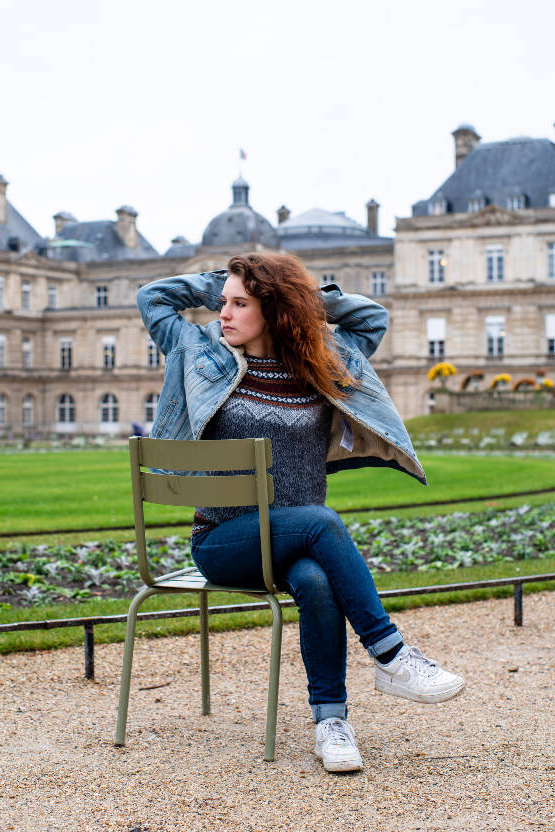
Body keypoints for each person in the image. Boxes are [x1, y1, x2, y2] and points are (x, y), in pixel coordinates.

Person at [136, 253, 465, 774]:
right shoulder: (198, 352)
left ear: (274, 308)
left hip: (294, 545)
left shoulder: (321, 361)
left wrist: (303, 297)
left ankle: (331, 723)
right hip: (224, 543)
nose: (224, 313)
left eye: (239, 304)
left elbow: (371, 317)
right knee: (321, 520)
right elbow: (152, 297)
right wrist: (225, 281)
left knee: (315, 580)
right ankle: (390, 654)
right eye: (224, 303)